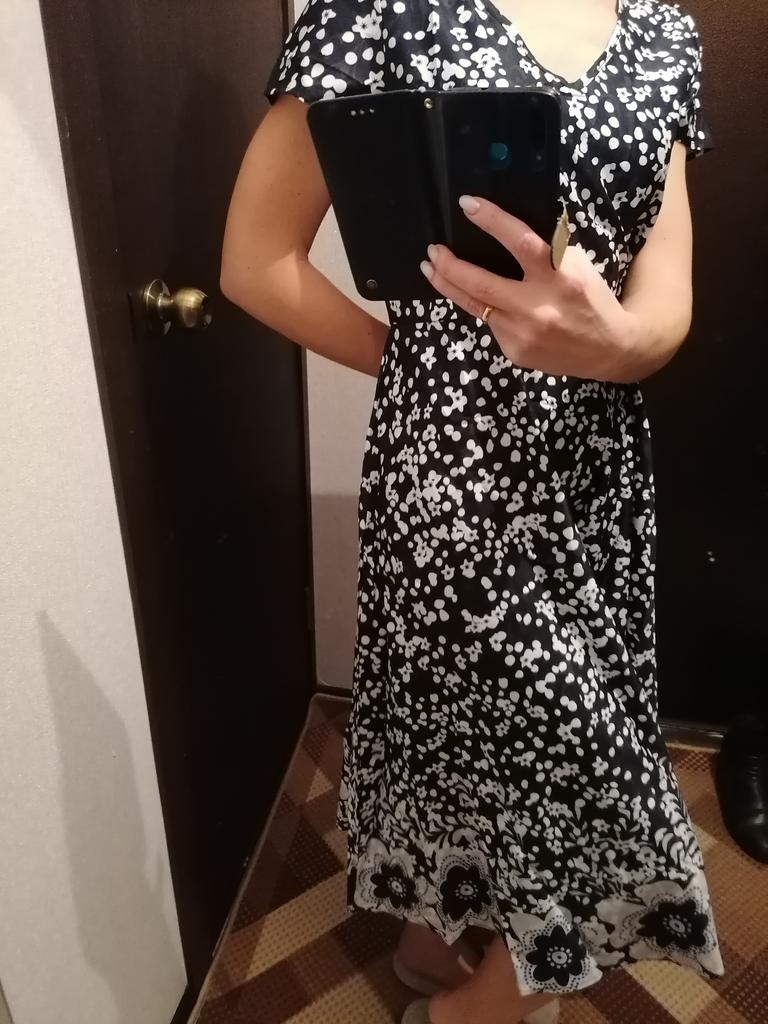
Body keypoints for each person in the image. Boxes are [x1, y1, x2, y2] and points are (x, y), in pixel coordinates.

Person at [220, 0, 725, 1020]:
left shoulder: (664, 35)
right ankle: (481, 1008)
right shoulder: (379, 12)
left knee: (478, 724)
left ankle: (430, 937)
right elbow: (255, 260)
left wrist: (622, 348)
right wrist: (419, 365)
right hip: (453, 476)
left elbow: (666, 281)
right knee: (586, 768)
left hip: (598, 477)